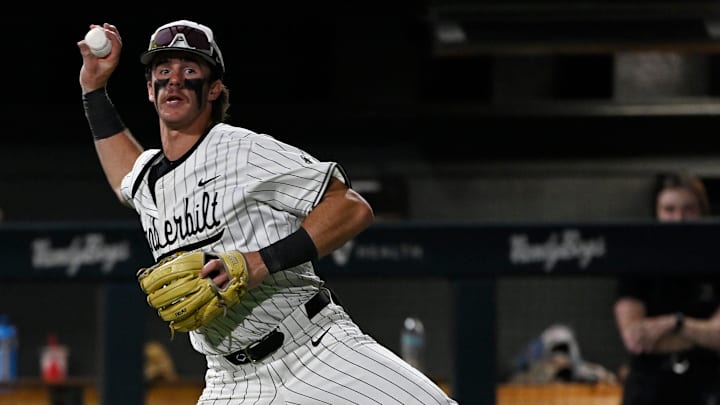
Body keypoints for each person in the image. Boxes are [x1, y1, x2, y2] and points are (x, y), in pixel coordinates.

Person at [77, 20, 457, 404]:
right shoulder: (148, 178)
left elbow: (350, 206)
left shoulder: (241, 149)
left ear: (213, 90)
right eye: (163, 71)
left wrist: (259, 261)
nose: (174, 80)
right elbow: (126, 174)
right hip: (231, 382)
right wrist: (93, 90)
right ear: (149, 90)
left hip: (313, 351)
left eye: (189, 70)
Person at [614, 172, 720, 405]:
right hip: (648, 389)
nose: (678, 218)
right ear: (657, 213)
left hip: (707, 386)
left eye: (688, 209)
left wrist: (672, 324)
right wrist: (699, 331)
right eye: (669, 209)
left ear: (702, 212)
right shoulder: (638, 260)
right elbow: (634, 337)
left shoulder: (715, 259)